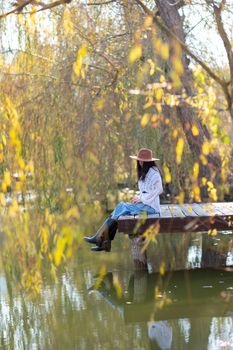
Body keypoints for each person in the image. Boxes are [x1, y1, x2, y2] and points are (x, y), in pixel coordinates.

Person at [83, 148, 163, 252]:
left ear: (149, 161)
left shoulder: (154, 173)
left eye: (142, 160)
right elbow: (145, 191)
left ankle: (101, 239)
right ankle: (103, 241)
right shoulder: (145, 172)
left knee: (121, 207)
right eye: (139, 160)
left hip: (151, 207)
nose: (140, 162)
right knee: (120, 211)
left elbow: (158, 190)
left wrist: (140, 198)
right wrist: (139, 198)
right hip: (146, 204)